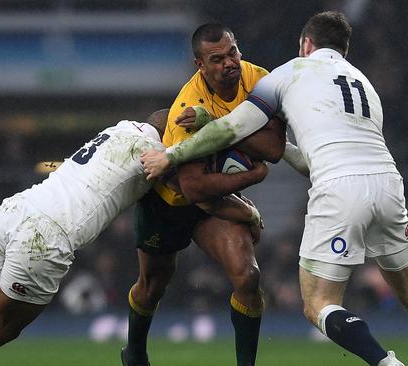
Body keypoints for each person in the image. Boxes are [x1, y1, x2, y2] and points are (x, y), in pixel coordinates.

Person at [141, 11, 408, 366]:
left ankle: (386, 363)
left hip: (340, 186)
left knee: (318, 303)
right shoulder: (363, 82)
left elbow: (233, 130)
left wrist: (171, 156)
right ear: (344, 51)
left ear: (305, 44)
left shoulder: (288, 72)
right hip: (388, 182)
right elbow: (300, 152)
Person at [0, 110, 266, 366]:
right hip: (46, 237)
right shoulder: (157, 157)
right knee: (0, 329)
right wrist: (248, 210)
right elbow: (199, 194)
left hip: (13, 210)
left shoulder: (119, 129)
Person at [123, 23, 285, 366]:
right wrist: (247, 189)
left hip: (210, 203)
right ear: (201, 65)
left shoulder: (259, 79)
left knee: (248, 275)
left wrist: (215, 124)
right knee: (153, 286)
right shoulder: (186, 106)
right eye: (217, 59)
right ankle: (134, 352)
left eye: (233, 52)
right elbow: (192, 188)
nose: (229, 63)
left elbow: (272, 147)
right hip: (168, 200)